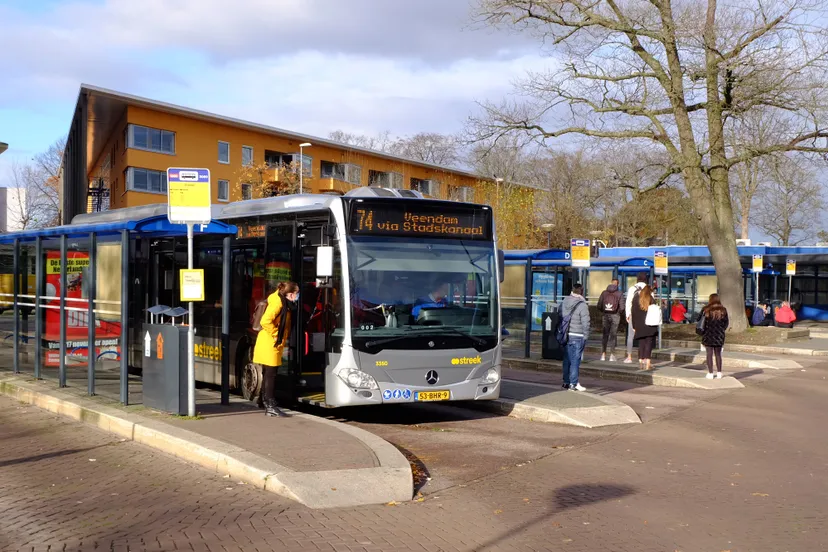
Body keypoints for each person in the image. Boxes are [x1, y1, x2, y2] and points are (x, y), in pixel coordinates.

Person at [253, 281, 299, 417]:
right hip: (270, 343)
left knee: (268, 373)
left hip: (270, 342)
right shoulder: (278, 303)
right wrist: (276, 335)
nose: (297, 296)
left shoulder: (279, 299)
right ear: (290, 294)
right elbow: (265, 321)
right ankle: (270, 406)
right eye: (296, 294)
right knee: (271, 374)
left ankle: (263, 400)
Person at [560, 283, 590, 391]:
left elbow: (560, 315)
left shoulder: (565, 301)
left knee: (567, 359)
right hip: (578, 335)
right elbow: (586, 322)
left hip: (566, 334)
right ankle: (574, 383)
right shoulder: (582, 305)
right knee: (575, 361)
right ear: (581, 292)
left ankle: (566, 382)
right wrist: (586, 335)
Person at [700, 293, 729, 379]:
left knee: (709, 354)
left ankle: (710, 373)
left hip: (708, 334)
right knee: (718, 354)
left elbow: (699, 320)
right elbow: (726, 323)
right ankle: (719, 372)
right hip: (719, 335)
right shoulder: (723, 310)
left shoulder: (706, 309)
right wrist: (721, 330)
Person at [631, 285, 659, 371]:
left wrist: (634, 326)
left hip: (639, 325)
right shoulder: (651, 299)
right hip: (650, 324)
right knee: (648, 343)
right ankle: (648, 363)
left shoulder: (636, 299)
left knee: (641, 343)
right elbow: (655, 311)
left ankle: (641, 362)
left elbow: (633, 313)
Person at [623, 272, 648, 364]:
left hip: (633, 315)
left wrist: (628, 315)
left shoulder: (632, 289)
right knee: (644, 336)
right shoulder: (648, 289)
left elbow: (628, 303)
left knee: (630, 336)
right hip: (645, 315)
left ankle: (629, 357)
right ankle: (644, 358)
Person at [597, 278, 624, 361]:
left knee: (605, 335)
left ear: (611, 283)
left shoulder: (604, 293)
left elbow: (599, 305)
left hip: (605, 315)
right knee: (613, 335)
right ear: (617, 284)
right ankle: (612, 355)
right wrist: (618, 312)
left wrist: (604, 311)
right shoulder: (619, 294)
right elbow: (622, 307)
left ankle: (603, 355)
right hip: (615, 316)